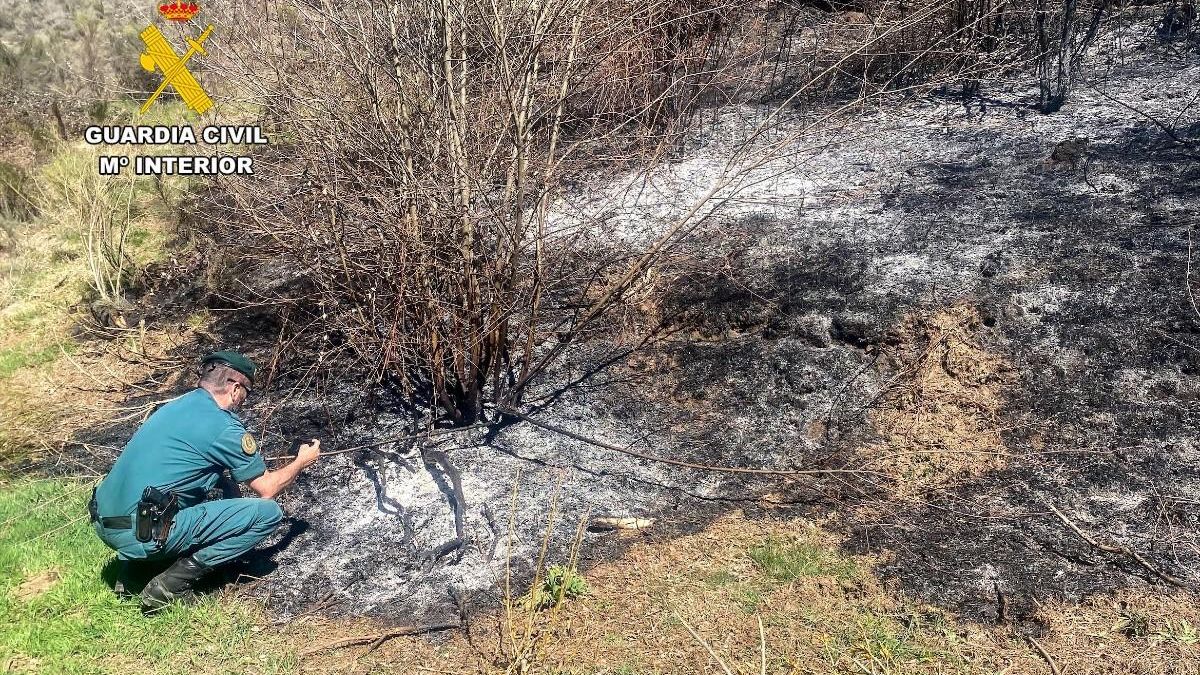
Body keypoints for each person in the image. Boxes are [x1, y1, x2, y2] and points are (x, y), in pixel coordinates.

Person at [89, 351, 321, 612]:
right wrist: (302, 461)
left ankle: (135, 573)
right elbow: (267, 489)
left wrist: (231, 503)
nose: (244, 401)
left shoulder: (175, 406)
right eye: (246, 392)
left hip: (105, 523)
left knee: (193, 490)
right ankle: (169, 586)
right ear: (234, 388)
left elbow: (204, 475)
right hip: (140, 533)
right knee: (268, 513)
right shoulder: (224, 427)